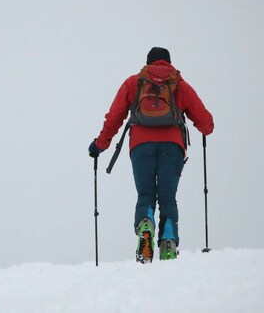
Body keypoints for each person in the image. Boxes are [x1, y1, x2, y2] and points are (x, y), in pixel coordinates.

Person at [88, 47, 214, 263]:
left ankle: (146, 223)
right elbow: (206, 123)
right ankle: (168, 240)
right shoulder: (179, 85)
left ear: (148, 63)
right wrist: (204, 126)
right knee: (167, 197)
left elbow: (114, 118)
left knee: (146, 194)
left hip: (140, 145)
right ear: (169, 63)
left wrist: (100, 145)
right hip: (172, 147)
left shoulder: (133, 82)